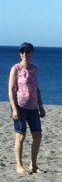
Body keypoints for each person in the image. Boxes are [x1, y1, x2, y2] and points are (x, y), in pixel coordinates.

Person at [8, 42, 45, 174]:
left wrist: (41, 106)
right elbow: (11, 90)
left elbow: (36, 89)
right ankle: (19, 165)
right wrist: (14, 108)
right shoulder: (16, 69)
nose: (25, 54)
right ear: (20, 54)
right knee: (20, 136)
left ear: (31, 53)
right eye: (22, 52)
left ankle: (33, 165)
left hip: (33, 106)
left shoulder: (35, 69)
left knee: (37, 135)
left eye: (27, 52)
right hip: (20, 106)